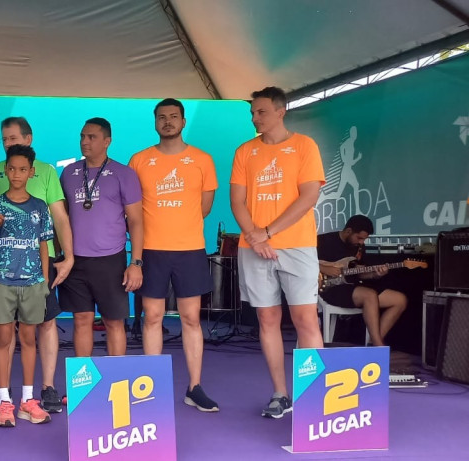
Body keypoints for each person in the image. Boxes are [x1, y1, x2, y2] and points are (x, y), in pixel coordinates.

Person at [229, 86, 325, 419]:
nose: (255, 118)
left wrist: (267, 232)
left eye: (261, 112)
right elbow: (237, 201)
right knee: (267, 319)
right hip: (254, 247)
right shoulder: (245, 151)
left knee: (305, 319)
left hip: (297, 244)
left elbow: (308, 196)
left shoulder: (305, 146)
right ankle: (280, 394)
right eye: (252, 113)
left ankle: (315, 397)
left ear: (281, 112)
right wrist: (256, 239)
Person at [128, 98, 219, 412]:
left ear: (183, 121)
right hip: (151, 250)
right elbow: (132, 209)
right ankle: (150, 389)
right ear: (155, 122)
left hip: (189, 249)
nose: (167, 122)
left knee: (191, 318)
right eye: (162, 117)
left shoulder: (202, 160)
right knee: (152, 317)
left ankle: (195, 387)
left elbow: (204, 208)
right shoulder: (139, 160)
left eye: (173, 116)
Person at [0, 116, 73, 413]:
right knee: (4, 331)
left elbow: (59, 218)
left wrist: (67, 257)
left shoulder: (46, 173)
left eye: (14, 138)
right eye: (5, 139)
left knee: (43, 325)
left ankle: (44, 388)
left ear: (28, 139)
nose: (9, 144)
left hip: (35, 271)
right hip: (3, 275)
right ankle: (4, 390)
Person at [58, 117, 143, 358]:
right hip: (75, 260)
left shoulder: (124, 174)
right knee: (81, 319)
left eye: (91, 137)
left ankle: (117, 376)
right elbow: (61, 218)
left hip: (110, 260)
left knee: (113, 321)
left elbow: (136, 221)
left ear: (107, 141)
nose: (84, 142)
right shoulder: (69, 173)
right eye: (82, 137)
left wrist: (136, 263)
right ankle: (83, 378)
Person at [0, 144, 55, 427]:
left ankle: (27, 400)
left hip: (33, 284)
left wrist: (44, 281)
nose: (16, 174)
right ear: (5, 170)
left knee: (28, 339)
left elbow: (43, 245)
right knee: (3, 339)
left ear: (31, 172)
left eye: (22, 169)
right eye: (12, 169)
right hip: (2, 282)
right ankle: (5, 401)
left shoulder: (39, 207)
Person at [317, 215, 406, 347]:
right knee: (369, 295)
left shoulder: (358, 248)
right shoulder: (323, 241)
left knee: (399, 300)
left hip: (351, 287)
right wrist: (324, 268)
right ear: (348, 231)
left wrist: (375, 274)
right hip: (329, 289)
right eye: (359, 238)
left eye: (364, 239)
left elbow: (359, 274)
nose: (362, 242)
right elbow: (301, 262)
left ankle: (372, 344)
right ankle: (378, 346)